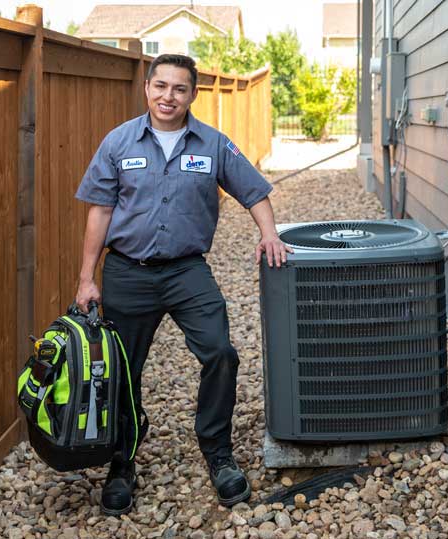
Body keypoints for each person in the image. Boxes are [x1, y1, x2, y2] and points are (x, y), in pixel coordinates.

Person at [74, 54, 292, 515]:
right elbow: (99, 211)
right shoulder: (118, 142)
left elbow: (254, 192)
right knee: (122, 370)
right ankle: (121, 461)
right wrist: (86, 279)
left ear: (193, 93)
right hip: (127, 272)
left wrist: (269, 234)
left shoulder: (212, 144)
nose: (168, 96)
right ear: (147, 88)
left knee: (220, 352)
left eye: (179, 89)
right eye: (160, 86)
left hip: (186, 271)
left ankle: (217, 452)